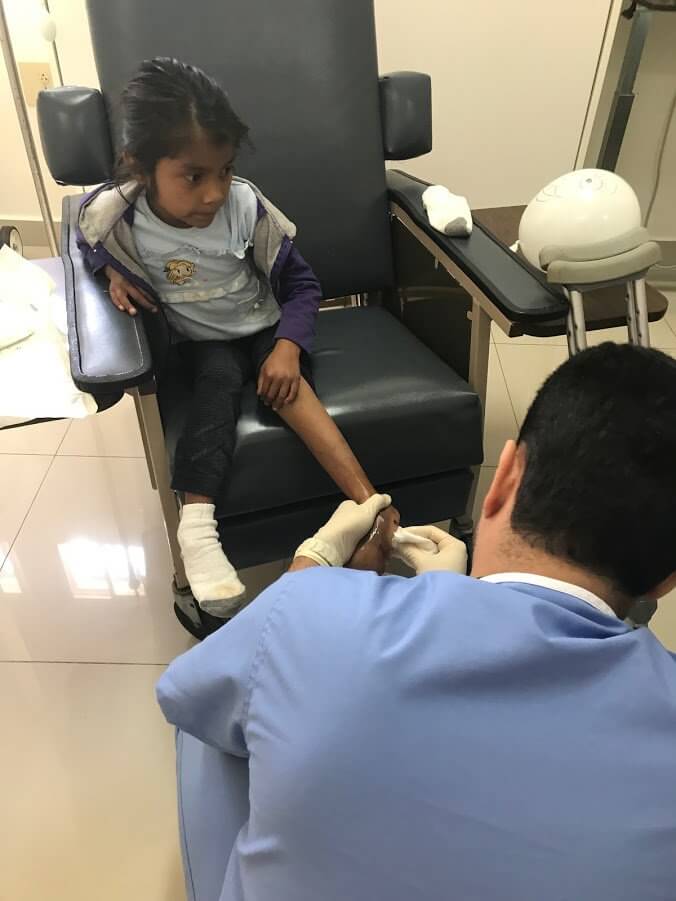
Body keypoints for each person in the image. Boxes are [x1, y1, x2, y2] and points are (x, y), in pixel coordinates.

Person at [157, 343, 676, 901]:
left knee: (226, 704)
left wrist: (310, 575)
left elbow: (183, 696)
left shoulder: (309, 613)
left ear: (503, 478)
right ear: (667, 581)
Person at [76, 57, 397, 623]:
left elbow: (303, 285)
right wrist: (111, 272)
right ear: (142, 168)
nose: (214, 193)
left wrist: (288, 346)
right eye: (193, 177)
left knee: (290, 388)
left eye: (224, 171)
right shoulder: (117, 214)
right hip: (202, 343)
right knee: (217, 383)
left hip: (264, 325)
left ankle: (372, 507)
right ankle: (197, 533)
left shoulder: (246, 207)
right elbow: (86, 235)